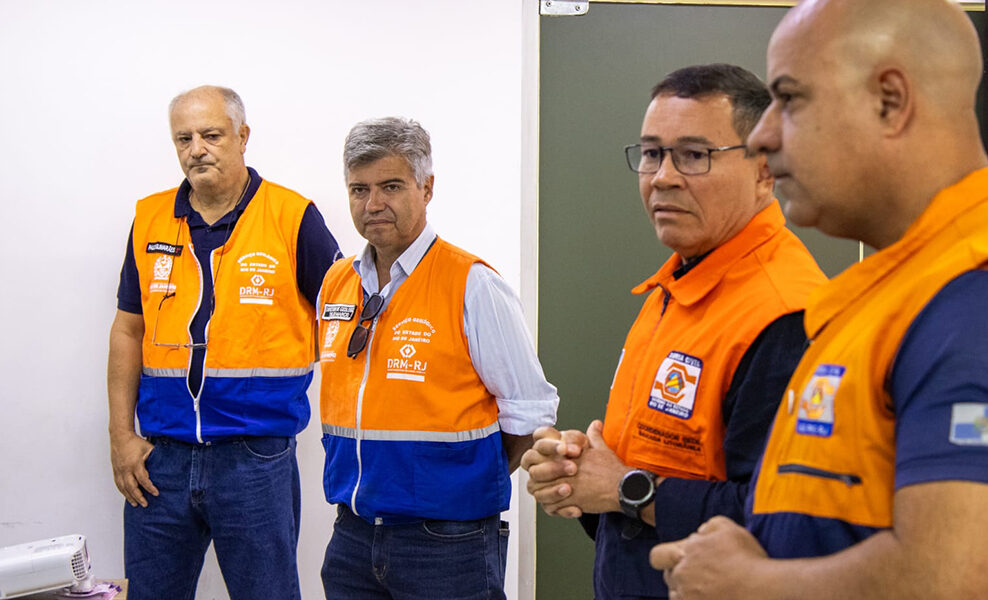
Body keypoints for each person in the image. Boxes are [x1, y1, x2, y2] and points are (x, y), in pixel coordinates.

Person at [650, 1, 988, 599]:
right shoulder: (882, 297)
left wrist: (751, 583)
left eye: (791, 98)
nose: (763, 135)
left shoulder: (968, 299)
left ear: (890, 100)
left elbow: (953, 579)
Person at [522, 64, 827, 599]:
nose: (663, 176)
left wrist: (622, 488)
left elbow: (788, 522)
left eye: (693, 155)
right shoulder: (678, 286)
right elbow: (652, 467)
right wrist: (580, 473)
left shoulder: (784, 315)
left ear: (764, 168)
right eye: (651, 153)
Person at [106, 85, 341, 600]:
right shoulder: (149, 218)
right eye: (183, 138)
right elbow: (128, 329)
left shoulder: (292, 217)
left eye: (211, 135)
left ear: (242, 136)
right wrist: (121, 437)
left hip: (255, 460)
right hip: (159, 461)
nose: (197, 149)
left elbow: (343, 325)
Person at [316, 116, 559, 599]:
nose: (373, 204)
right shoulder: (336, 283)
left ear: (426, 189)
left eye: (391, 186)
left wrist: (455, 485)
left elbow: (529, 411)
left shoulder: (473, 284)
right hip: (353, 537)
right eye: (359, 189)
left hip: (448, 541)